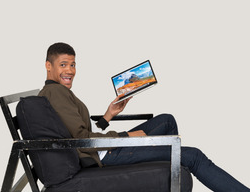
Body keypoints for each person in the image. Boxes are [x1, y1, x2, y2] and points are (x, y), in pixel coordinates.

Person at [38, 42, 250, 192]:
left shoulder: (57, 92)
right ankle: (169, 163)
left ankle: (163, 161)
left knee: (167, 120)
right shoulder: (55, 92)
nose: (70, 70)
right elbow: (80, 138)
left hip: (100, 147)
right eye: (63, 64)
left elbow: (78, 129)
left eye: (73, 64)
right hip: (104, 154)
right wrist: (125, 137)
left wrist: (108, 115)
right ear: (48, 65)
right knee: (194, 157)